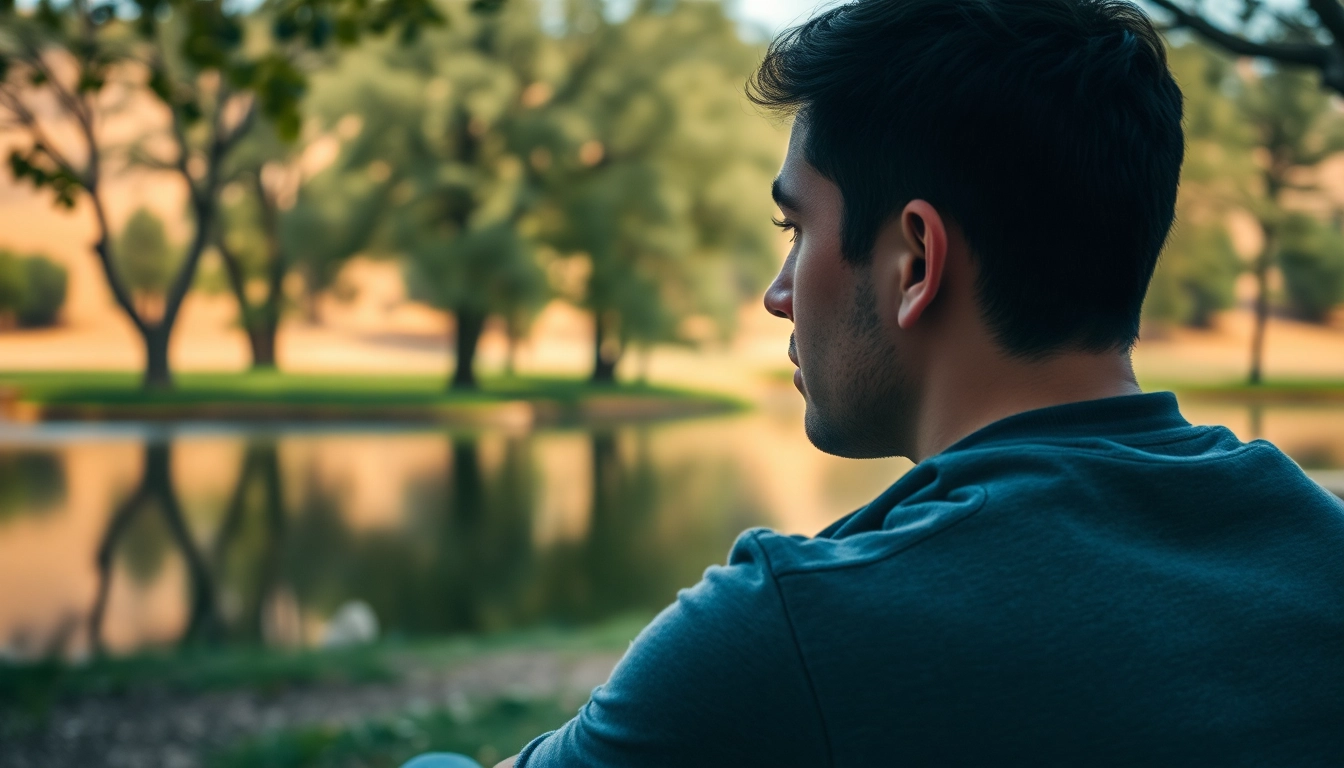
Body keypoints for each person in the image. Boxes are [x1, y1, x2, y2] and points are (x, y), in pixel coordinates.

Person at [412, 1, 1344, 766]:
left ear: (913, 262)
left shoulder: (789, 634)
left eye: (795, 232)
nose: (779, 296)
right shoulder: (1322, 551)